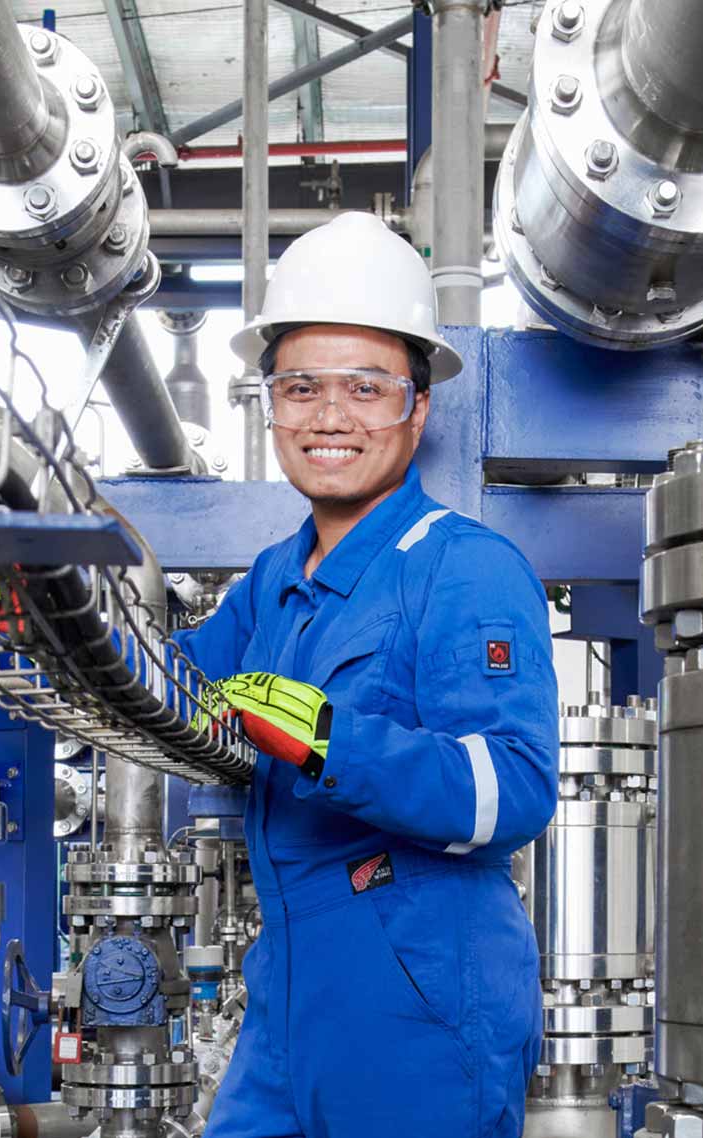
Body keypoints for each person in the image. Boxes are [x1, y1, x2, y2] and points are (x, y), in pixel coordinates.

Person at [177, 211, 559, 1138]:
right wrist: (49, 607)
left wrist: (326, 741)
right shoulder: (276, 577)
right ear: (270, 403)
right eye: (301, 388)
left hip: (416, 993)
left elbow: (512, 787)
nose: (330, 417)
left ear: (418, 408)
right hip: (290, 989)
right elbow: (173, 684)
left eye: (366, 388)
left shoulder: (462, 567)